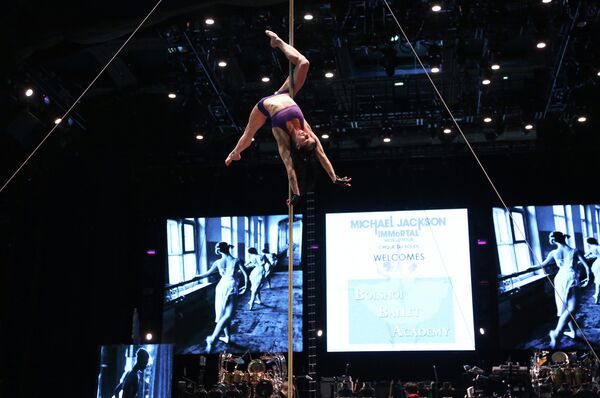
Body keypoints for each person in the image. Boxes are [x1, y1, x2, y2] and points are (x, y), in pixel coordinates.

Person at [224, 30, 351, 205]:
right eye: (308, 137)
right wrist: (334, 178)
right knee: (304, 63)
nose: (306, 134)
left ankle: (234, 153)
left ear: (297, 145)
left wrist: (296, 195)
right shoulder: (306, 130)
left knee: (248, 134)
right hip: (284, 94)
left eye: (304, 139)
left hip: (264, 106)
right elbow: (321, 155)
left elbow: (290, 170)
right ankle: (278, 42)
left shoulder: (282, 136)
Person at [538, 231, 590, 348]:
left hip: (560, 278)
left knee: (565, 307)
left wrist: (526, 269)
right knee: (572, 308)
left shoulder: (553, 252)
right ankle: (556, 333)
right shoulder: (574, 250)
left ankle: (572, 332)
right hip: (571, 278)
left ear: (553, 240)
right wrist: (588, 278)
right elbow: (587, 267)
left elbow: (540, 265)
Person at [198, 242, 248, 352]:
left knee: (223, 314)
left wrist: (196, 276)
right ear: (228, 248)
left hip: (221, 287)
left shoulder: (218, 262)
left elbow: (206, 274)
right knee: (229, 314)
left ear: (218, 250)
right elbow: (246, 274)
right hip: (230, 286)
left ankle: (227, 337)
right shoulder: (236, 260)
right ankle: (213, 338)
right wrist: (246, 286)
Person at [584, 237, 600, 304]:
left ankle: (597, 295)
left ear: (589, 243)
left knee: (598, 280)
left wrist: (588, 257)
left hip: (598, 264)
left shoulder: (592, 248)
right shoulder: (598, 247)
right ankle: (597, 294)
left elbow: (585, 256)